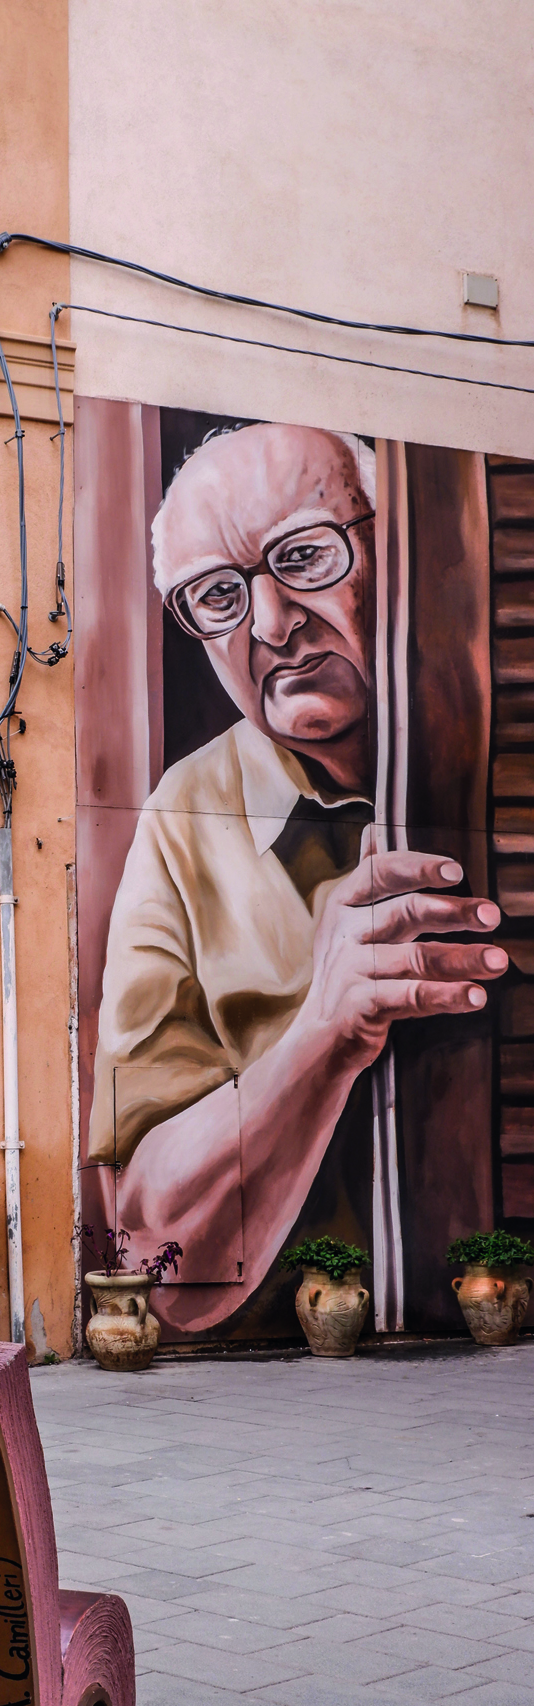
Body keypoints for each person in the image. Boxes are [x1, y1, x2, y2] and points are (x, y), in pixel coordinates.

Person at [87, 422, 506, 1299]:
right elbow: (143, 1238)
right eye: (218, 597)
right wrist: (321, 1036)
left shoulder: (503, 750)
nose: (272, 624)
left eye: (306, 557)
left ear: (393, 554)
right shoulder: (182, 815)